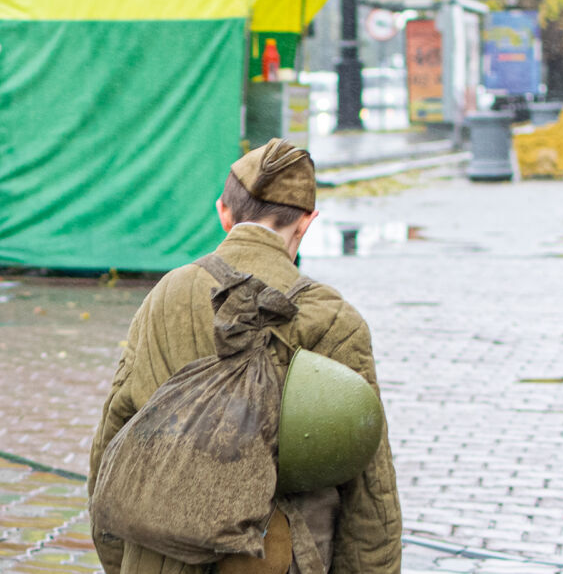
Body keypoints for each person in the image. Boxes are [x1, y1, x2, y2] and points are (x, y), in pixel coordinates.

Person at [87, 139, 402, 574]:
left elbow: (116, 432)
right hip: (274, 555)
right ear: (306, 223)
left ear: (224, 212)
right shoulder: (332, 319)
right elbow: (368, 485)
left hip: (159, 553)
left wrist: (121, 556)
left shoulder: (167, 296)